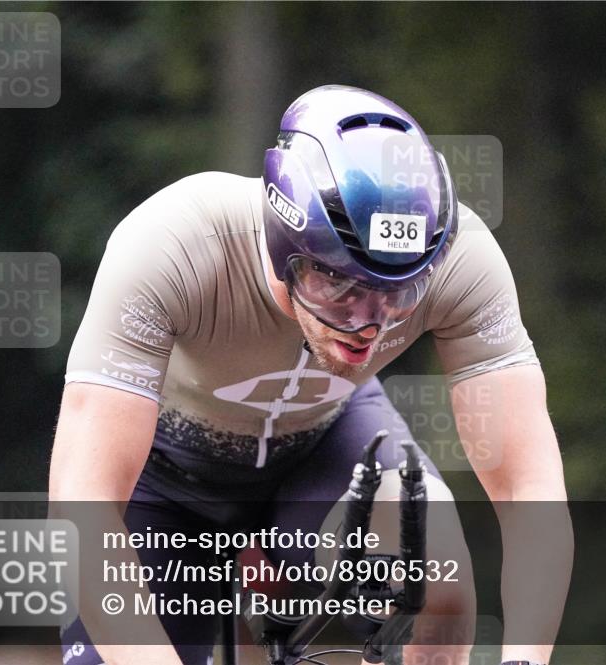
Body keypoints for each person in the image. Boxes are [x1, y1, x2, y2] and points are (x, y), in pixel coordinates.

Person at [50, 85, 572, 665]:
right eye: (339, 285)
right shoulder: (173, 243)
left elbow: (529, 487)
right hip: (164, 480)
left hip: (322, 447)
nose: (367, 323)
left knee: (438, 589)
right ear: (282, 245)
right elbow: (83, 497)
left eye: (399, 290)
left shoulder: (462, 261)